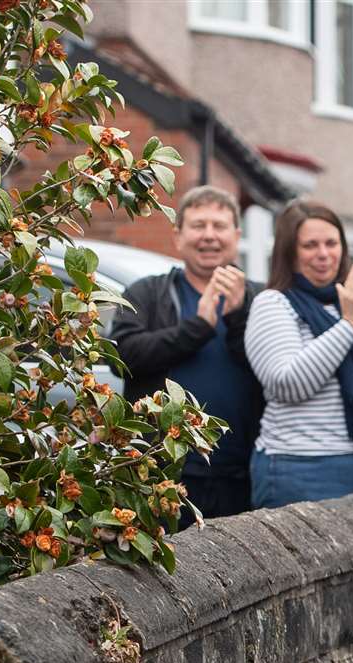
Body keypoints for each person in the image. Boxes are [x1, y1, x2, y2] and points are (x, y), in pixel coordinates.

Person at [243, 201, 353, 507]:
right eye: (310, 245)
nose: (324, 254)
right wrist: (349, 325)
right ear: (289, 252)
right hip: (304, 469)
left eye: (331, 243)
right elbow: (288, 384)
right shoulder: (272, 304)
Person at [108, 185, 261, 523]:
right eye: (198, 225)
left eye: (219, 226)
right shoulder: (147, 293)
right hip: (161, 470)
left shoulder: (262, 298)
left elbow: (273, 373)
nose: (209, 236)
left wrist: (237, 318)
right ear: (178, 236)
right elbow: (121, 357)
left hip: (242, 474)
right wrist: (199, 326)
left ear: (236, 236)